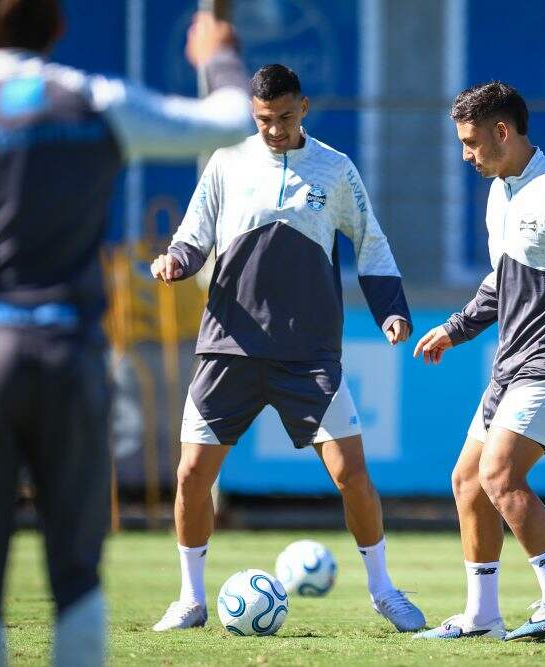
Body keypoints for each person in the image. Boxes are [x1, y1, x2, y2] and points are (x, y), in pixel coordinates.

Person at [0, 1, 255, 664]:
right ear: (58, 28)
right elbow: (231, 120)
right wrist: (219, 53)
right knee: (78, 583)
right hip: (71, 362)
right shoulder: (97, 101)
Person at [148, 64, 426, 633]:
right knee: (192, 473)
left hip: (307, 353)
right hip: (228, 346)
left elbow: (371, 243)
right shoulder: (227, 161)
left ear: (304, 108)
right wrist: (175, 260)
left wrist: (392, 310)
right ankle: (190, 599)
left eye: (283, 117)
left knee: (351, 474)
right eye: (263, 120)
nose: (274, 129)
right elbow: (194, 235)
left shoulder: (335, 168)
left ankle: (383, 590)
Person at [411, 81, 545, 641]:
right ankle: (482, 617)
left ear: (502, 132)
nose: (466, 155)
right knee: (468, 481)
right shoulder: (500, 193)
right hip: (510, 363)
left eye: (471, 143)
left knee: (500, 473)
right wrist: (455, 329)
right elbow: (500, 281)